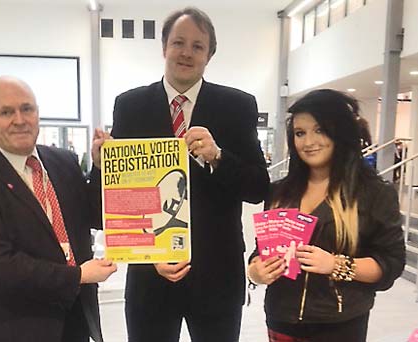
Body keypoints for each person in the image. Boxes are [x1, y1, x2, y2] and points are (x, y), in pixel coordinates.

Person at [110, 7, 269, 342]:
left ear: (209, 55)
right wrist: (101, 163)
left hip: (216, 271)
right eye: (178, 42)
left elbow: (257, 187)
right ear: (164, 47)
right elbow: (122, 196)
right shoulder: (130, 105)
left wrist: (219, 157)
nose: (186, 52)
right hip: (149, 274)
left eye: (198, 46)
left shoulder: (237, 106)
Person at [0, 76, 117, 342]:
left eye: (27, 109)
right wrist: (77, 276)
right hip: (17, 328)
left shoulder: (63, 161)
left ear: (38, 113)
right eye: (6, 112)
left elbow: (96, 215)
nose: (20, 119)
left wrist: (101, 168)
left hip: (75, 322)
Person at [247, 89, 405, 342]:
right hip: (281, 320)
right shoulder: (280, 191)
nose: (308, 142)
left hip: (339, 325)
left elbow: (391, 263)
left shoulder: (373, 194)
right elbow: (261, 251)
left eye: (319, 130)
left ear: (340, 132)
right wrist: (256, 272)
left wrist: (336, 265)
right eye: (300, 133)